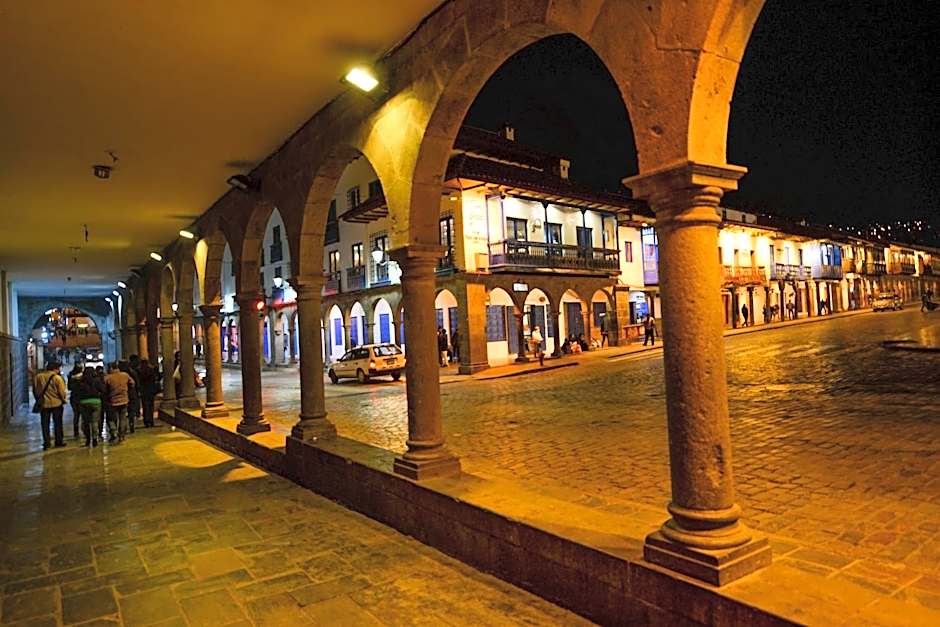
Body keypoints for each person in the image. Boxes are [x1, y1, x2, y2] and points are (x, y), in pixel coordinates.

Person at [33, 361, 68, 450]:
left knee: (45, 424)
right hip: (56, 403)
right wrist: (63, 400)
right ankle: (58, 441)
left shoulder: (38, 377)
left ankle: (46, 442)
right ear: (55, 369)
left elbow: (35, 389)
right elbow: (62, 391)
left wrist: (38, 399)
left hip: (44, 404)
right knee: (58, 423)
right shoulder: (57, 378)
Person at [105, 362, 134, 442]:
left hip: (112, 401)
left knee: (111, 419)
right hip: (124, 400)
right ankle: (121, 435)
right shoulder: (125, 375)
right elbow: (132, 383)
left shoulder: (108, 378)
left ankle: (113, 432)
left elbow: (104, 389)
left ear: (111, 368)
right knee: (122, 418)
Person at [76, 366, 105, 447]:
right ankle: (95, 438)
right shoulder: (97, 380)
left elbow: (76, 391)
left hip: (83, 402)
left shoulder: (81, 381)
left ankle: (88, 439)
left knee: (86, 422)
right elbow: (103, 390)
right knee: (94, 421)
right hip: (96, 401)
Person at [137, 359, 158, 428]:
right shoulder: (151, 370)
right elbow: (155, 379)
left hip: (144, 391)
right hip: (151, 390)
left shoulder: (139, 371)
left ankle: (146, 421)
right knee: (151, 406)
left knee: (145, 407)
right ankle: (151, 421)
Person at [67, 362, 84, 440]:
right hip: (82, 397)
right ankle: (84, 430)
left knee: (76, 415)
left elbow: (69, 388)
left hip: (73, 397)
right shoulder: (83, 377)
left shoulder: (71, 377)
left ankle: (76, 431)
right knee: (84, 415)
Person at [123, 357, 141, 431]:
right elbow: (136, 383)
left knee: (122, 412)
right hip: (131, 394)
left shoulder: (120, 374)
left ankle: (123, 426)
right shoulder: (132, 372)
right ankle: (131, 424)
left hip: (123, 394)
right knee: (131, 411)